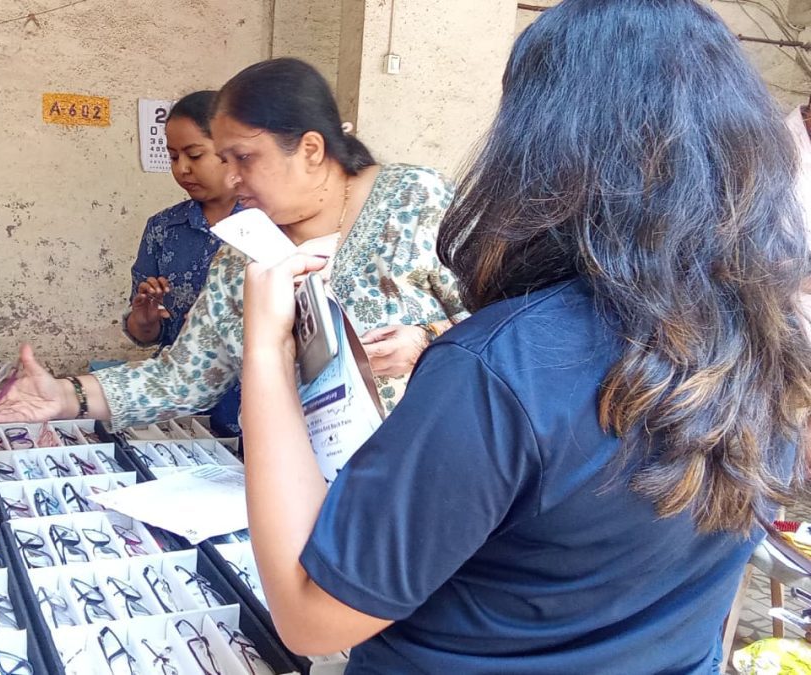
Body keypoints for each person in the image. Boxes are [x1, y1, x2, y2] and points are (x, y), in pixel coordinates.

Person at [238, 1, 811, 673]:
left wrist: (265, 352)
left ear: (544, 143)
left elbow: (310, 614)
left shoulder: (500, 366)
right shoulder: (768, 340)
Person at [0, 58, 463, 431]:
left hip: (426, 485)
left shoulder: (414, 199)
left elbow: (517, 319)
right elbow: (184, 374)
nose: (230, 177)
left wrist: (429, 341)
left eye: (244, 158)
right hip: (294, 498)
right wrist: (65, 395)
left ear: (310, 149)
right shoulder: (240, 254)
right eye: (224, 159)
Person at [122, 90, 242, 432]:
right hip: (182, 406)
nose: (183, 169)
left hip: (251, 404)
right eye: (173, 157)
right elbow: (144, 334)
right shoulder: (163, 228)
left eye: (194, 154)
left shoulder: (268, 225)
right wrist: (144, 321)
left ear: (231, 152)